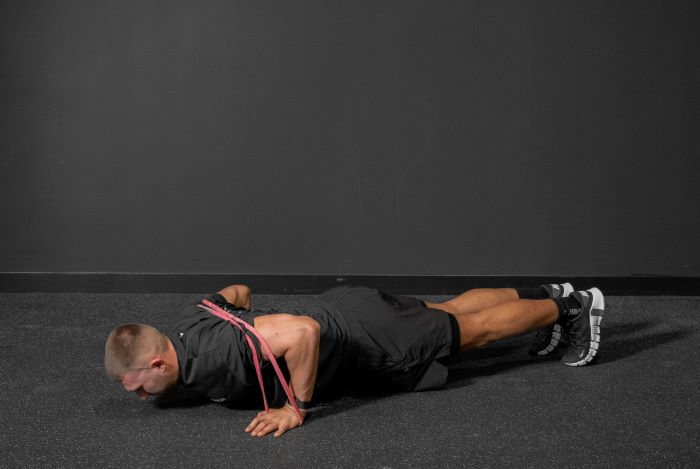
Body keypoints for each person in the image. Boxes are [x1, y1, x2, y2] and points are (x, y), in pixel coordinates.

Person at [104, 282, 604, 438]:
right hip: (347, 304)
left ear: (160, 366)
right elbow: (236, 291)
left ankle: (574, 308)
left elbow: (302, 331)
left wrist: (294, 408)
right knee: (448, 309)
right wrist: (252, 318)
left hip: (366, 335)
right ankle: (547, 294)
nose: (145, 399)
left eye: (141, 388)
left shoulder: (218, 353)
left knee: (471, 333)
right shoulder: (190, 324)